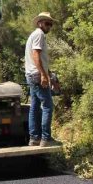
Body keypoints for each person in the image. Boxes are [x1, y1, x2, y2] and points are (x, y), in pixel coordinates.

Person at [24, 12, 61, 148]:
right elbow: (36, 55)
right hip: (37, 76)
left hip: (32, 75)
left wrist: (48, 73)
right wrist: (43, 75)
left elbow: (40, 59)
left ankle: (34, 138)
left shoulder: (35, 35)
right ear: (39, 23)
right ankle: (46, 139)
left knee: (34, 107)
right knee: (47, 106)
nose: (49, 27)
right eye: (47, 23)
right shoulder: (39, 34)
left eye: (50, 24)